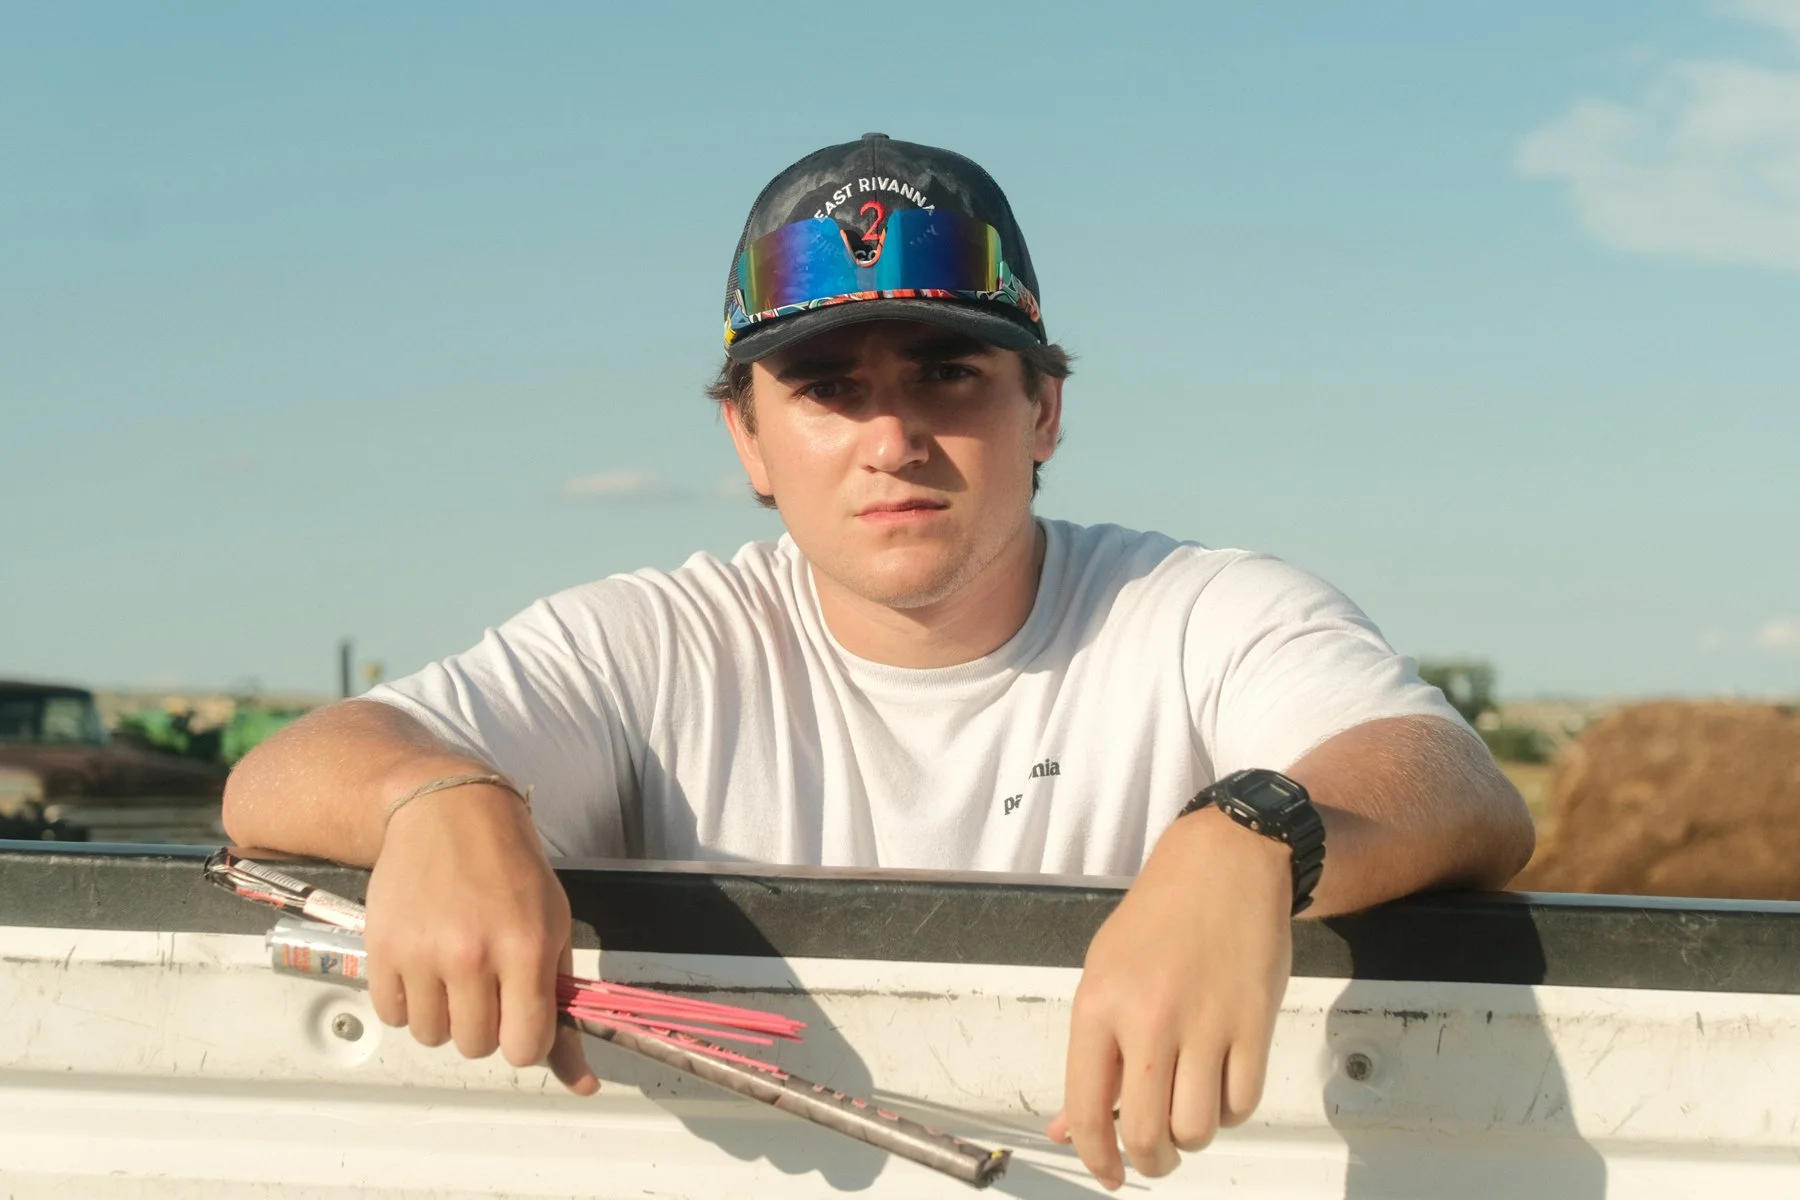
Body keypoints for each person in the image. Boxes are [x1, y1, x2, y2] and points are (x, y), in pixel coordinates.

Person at [224, 133, 1534, 1191]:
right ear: (748, 437)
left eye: (950, 372)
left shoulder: (1193, 608)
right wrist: (439, 800)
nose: (892, 435)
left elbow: (1456, 783)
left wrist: (1249, 833)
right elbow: (289, 774)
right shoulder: (652, 642)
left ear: (1047, 411)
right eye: (828, 387)